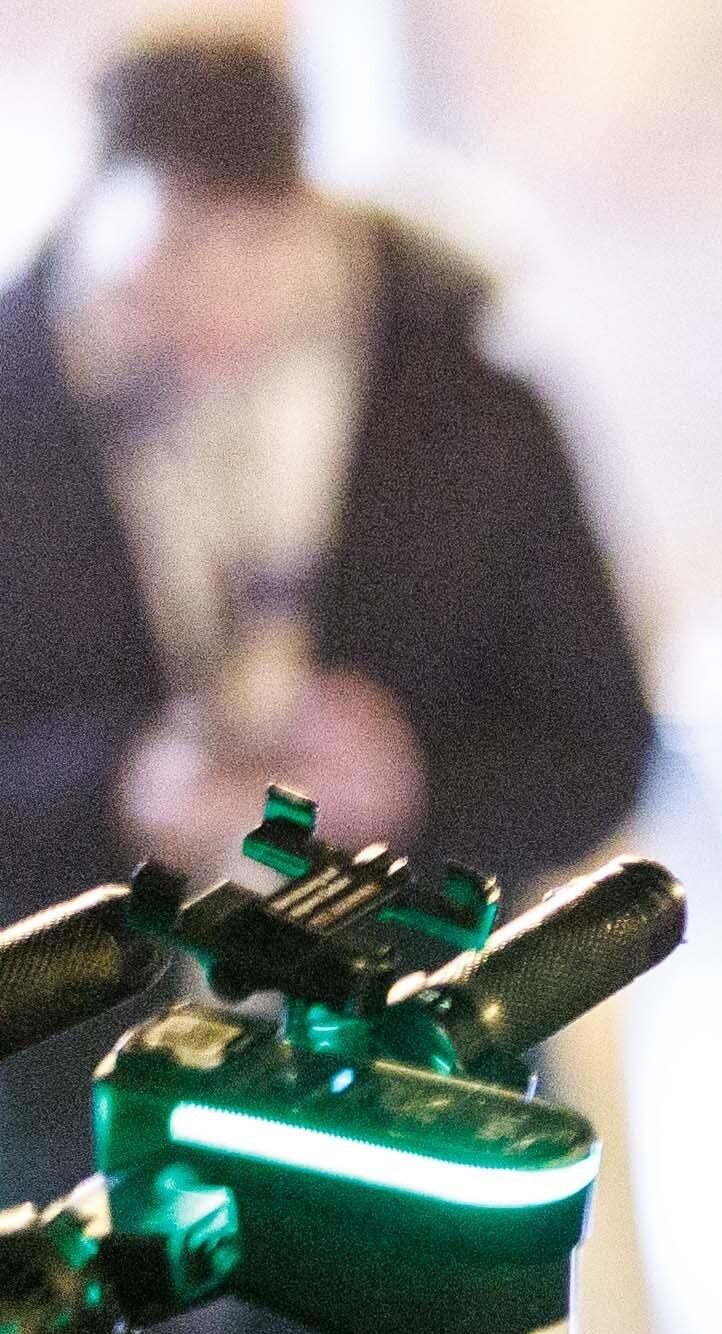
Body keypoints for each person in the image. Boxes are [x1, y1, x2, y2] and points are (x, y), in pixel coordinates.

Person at [0, 34, 646, 933]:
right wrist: (111, 787)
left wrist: (415, 779)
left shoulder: (475, 413)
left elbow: (600, 750)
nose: (211, 319)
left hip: (404, 995)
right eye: (169, 265)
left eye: (249, 259)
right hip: (67, 1017)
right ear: (92, 234)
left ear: (308, 224)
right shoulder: (21, 401)